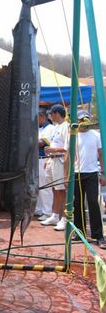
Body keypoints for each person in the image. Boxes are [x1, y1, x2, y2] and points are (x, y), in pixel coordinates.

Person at [66, 110, 106, 248]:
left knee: (93, 202)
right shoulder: (72, 135)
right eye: (82, 119)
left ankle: (98, 235)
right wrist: (67, 175)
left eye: (86, 118)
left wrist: (103, 173)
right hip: (76, 173)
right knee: (77, 204)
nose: (85, 121)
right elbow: (68, 156)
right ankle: (80, 231)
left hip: (92, 173)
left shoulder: (96, 135)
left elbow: (101, 155)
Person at [41, 104, 69, 231]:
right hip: (52, 159)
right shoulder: (57, 127)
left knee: (61, 190)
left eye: (51, 114)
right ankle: (55, 215)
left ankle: (64, 218)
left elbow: (67, 147)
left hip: (60, 159)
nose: (50, 116)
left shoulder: (66, 127)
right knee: (54, 189)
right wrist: (48, 157)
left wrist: (53, 150)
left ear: (57, 113)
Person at [35, 107, 55, 221]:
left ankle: (47, 212)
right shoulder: (39, 128)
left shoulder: (50, 128)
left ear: (42, 116)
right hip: (36, 159)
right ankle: (39, 209)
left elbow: (41, 143)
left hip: (44, 159)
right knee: (37, 185)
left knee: (45, 186)